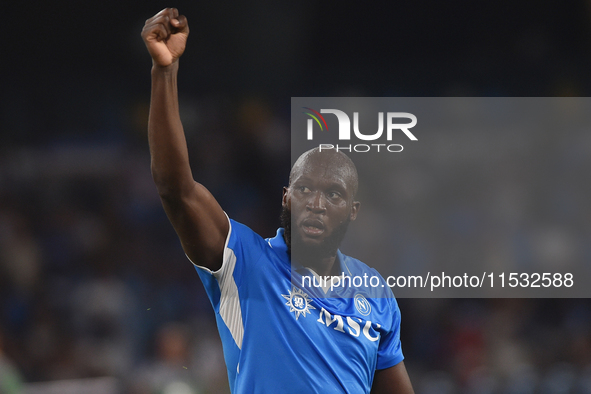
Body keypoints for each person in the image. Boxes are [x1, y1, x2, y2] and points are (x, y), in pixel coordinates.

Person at [141, 8, 414, 394]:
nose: (315, 202)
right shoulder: (244, 262)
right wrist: (164, 72)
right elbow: (176, 188)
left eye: (333, 194)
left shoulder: (374, 289)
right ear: (286, 198)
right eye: (304, 189)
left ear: (352, 212)